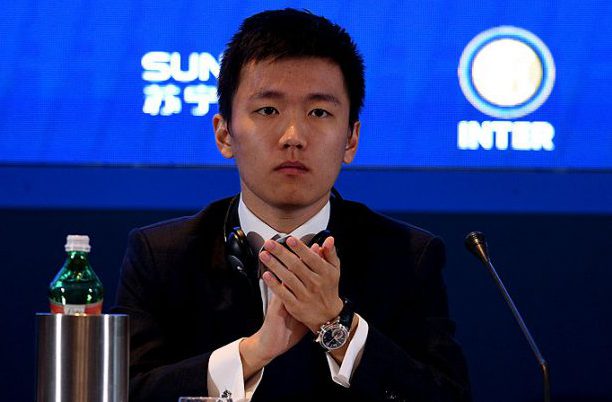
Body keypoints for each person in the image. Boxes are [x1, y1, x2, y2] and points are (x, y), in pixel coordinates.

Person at [113, 8, 470, 402]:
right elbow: (125, 392)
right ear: (224, 133)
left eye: (319, 112)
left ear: (350, 139)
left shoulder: (406, 257)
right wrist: (253, 353)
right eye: (268, 110)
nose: (293, 136)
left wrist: (337, 325)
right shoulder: (163, 256)